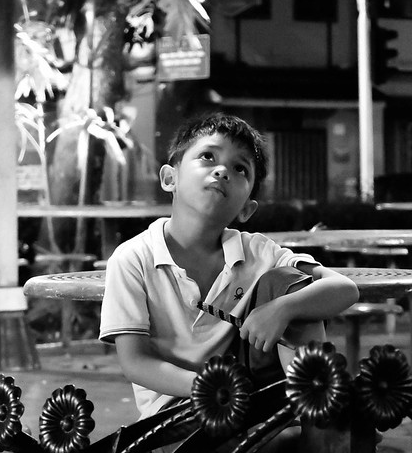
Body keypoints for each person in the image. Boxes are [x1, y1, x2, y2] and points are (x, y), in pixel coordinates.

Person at [99, 113, 359, 443]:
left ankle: (316, 418)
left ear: (247, 209)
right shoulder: (134, 258)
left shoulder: (257, 252)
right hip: (179, 412)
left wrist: (282, 309)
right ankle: (316, 435)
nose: (222, 171)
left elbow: (344, 288)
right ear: (169, 178)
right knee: (285, 445)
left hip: (255, 401)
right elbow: (135, 361)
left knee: (286, 282)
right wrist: (211, 389)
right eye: (208, 156)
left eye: (240, 169)